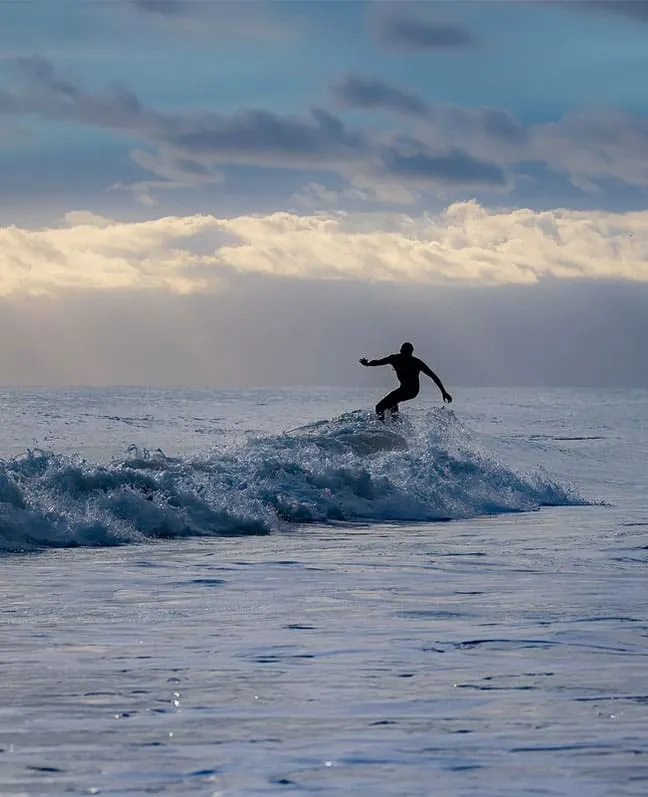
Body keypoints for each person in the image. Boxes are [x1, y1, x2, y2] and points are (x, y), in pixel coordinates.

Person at [359, 342, 452, 420]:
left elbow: (433, 376)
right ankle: (395, 424)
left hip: (412, 391)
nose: (406, 356)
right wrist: (368, 364)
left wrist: (444, 392)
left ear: (411, 353)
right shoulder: (395, 358)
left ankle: (384, 426)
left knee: (380, 406)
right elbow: (378, 362)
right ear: (401, 351)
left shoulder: (416, 362)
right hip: (403, 389)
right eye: (404, 353)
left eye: (408, 353)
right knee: (390, 404)